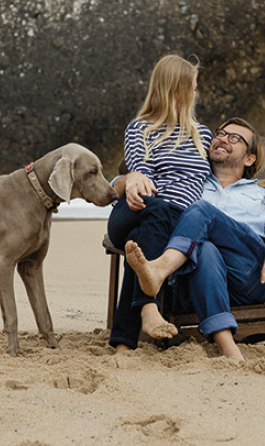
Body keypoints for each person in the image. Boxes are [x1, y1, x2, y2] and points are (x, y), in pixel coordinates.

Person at [120, 117, 265, 361]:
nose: (222, 139)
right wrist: (129, 178)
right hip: (190, 281)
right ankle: (226, 344)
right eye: (220, 134)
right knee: (206, 249)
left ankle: (159, 270)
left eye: (234, 138)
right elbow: (128, 190)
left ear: (249, 158)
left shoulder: (262, 193)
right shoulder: (189, 184)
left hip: (247, 279)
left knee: (204, 212)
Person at [106, 53, 213, 350]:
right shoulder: (139, 128)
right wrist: (132, 179)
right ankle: (149, 308)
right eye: (193, 85)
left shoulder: (202, 135)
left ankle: (123, 344)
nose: (196, 92)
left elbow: (228, 174)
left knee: (138, 244)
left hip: (172, 224)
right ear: (177, 90)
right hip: (136, 210)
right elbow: (138, 168)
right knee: (157, 208)